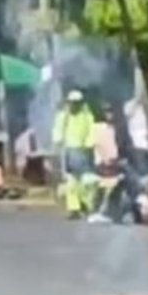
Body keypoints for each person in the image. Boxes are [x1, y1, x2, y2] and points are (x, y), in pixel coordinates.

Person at [52, 90, 97, 220]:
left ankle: (86, 203)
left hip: (83, 150)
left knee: (86, 180)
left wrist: (88, 146)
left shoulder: (87, 116)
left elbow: (91, 132)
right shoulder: (63, 116)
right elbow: (58, 131)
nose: (74, 105)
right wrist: (58, 143)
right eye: (72, 103)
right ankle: (74, 208)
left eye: (77, 103)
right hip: (68, 150)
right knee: (70, 180)